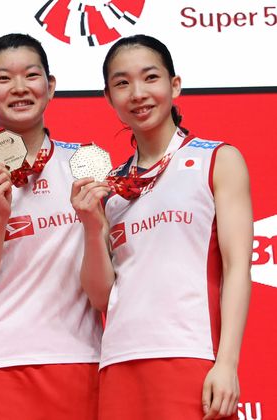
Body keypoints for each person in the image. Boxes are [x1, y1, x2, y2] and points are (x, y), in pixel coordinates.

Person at [71, 34, 252, 419]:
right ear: (108, 98)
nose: (137, 93)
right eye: (122, 83)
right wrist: (90, 225)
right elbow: (102, 297)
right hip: (119, 363)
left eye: (150, 78)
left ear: (174, 85)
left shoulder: (217, 159)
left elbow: (238, 268)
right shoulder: (111, 188)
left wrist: (226, 363)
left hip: (191, 357)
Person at [0, 33, 102, 419]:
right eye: (2, 79)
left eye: (31, 75)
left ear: (50, 86)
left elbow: (107, 284)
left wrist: (93, 224)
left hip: (82, 358)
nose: (19, 88)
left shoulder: (86, 165)